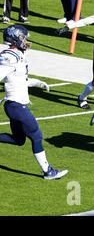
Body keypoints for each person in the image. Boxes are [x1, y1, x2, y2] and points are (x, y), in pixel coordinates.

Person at [0, 25, 68, 180]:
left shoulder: (18, 54)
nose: (26, 40)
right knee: (37, 136)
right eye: (23, 38)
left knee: (19, 140)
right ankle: (48, 171)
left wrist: (37, 82)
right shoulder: (10, 56)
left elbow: (19, 79)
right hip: (16, 105)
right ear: (15, 39)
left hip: (13, 105)